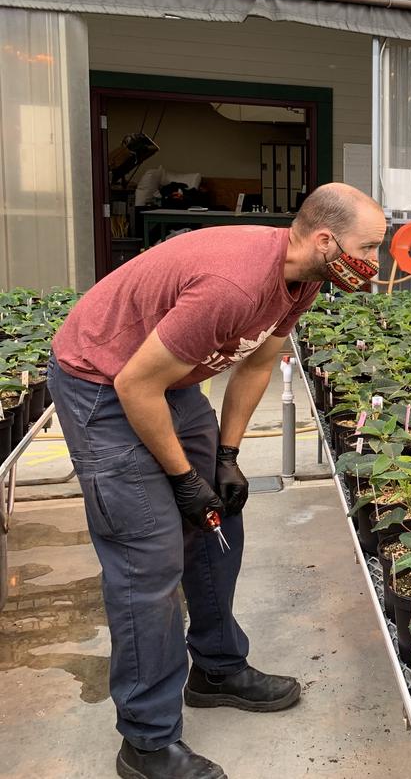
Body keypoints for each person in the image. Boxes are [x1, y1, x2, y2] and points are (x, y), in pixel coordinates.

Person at [48, 183, 386, 779]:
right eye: (371, 246)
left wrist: (226, 457)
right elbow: (134, 386)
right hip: (103, 381)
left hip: (167, 381)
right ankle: (147, 742)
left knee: (217, 520)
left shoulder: (305, 276)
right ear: (327, 240)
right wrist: (182, 477)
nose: (376, 262)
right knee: (147, 560)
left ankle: (217, 667)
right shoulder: (233, 284)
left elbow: (259, 360)